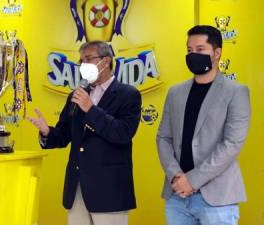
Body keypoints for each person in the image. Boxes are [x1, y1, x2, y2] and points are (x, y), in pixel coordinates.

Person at [28, 41, 141, 225]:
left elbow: (123, 133)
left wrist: (91, 109)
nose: (83, 64)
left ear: (106, 61)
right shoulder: (77, 94)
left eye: (88, 59)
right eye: (81, 60)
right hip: (77, 187)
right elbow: (64, 134)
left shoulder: (128, 94)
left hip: (109, 190)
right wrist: (47, 132)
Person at [156, 25, 251, 225]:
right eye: (189, 50)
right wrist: (176, 177)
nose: (193, 55)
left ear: (217, 53)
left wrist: (192, 180)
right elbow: (163, 137)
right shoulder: (175, 93)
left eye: (200, 49)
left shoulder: (236, 92)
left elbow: (231, 144)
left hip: (217, 199)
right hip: (177, 197)